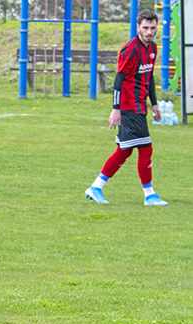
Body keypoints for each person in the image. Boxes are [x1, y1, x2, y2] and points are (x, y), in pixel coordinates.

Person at [85, 10, 168, 206]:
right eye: (145, 28)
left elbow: (149, 79)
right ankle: (149, 195)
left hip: (140, 107)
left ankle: (96, 187)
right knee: (146, 149)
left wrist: (154, 103)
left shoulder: (153, 48)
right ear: (138, 27)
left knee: (125, 151)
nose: (149, 32)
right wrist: (116, 108)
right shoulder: (130, 49)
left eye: (153, 28)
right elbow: (119, 79)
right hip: (129, 107)